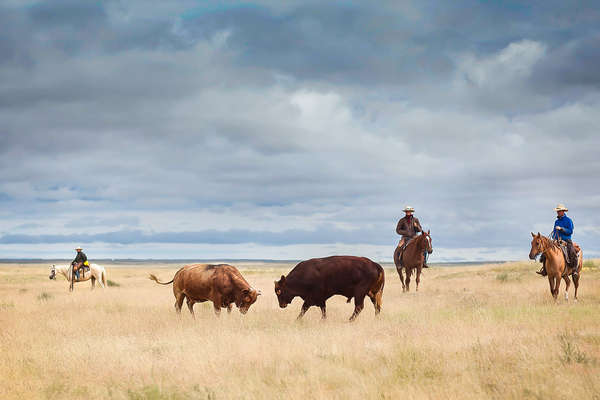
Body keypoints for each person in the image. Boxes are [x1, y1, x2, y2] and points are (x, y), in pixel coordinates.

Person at [536, 204, 578, 277]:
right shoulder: (556, 221)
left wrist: (562, 229)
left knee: (572, 252)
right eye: (557, 211)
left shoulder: (568, 220)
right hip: (556, 240)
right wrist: (554, 238)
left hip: (566, 240)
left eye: (559, 211)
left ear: (563, 211)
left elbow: (570, 231)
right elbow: (554, 232)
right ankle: (545, 270)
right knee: (546, 252)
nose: (558, 212)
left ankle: (574, 270)